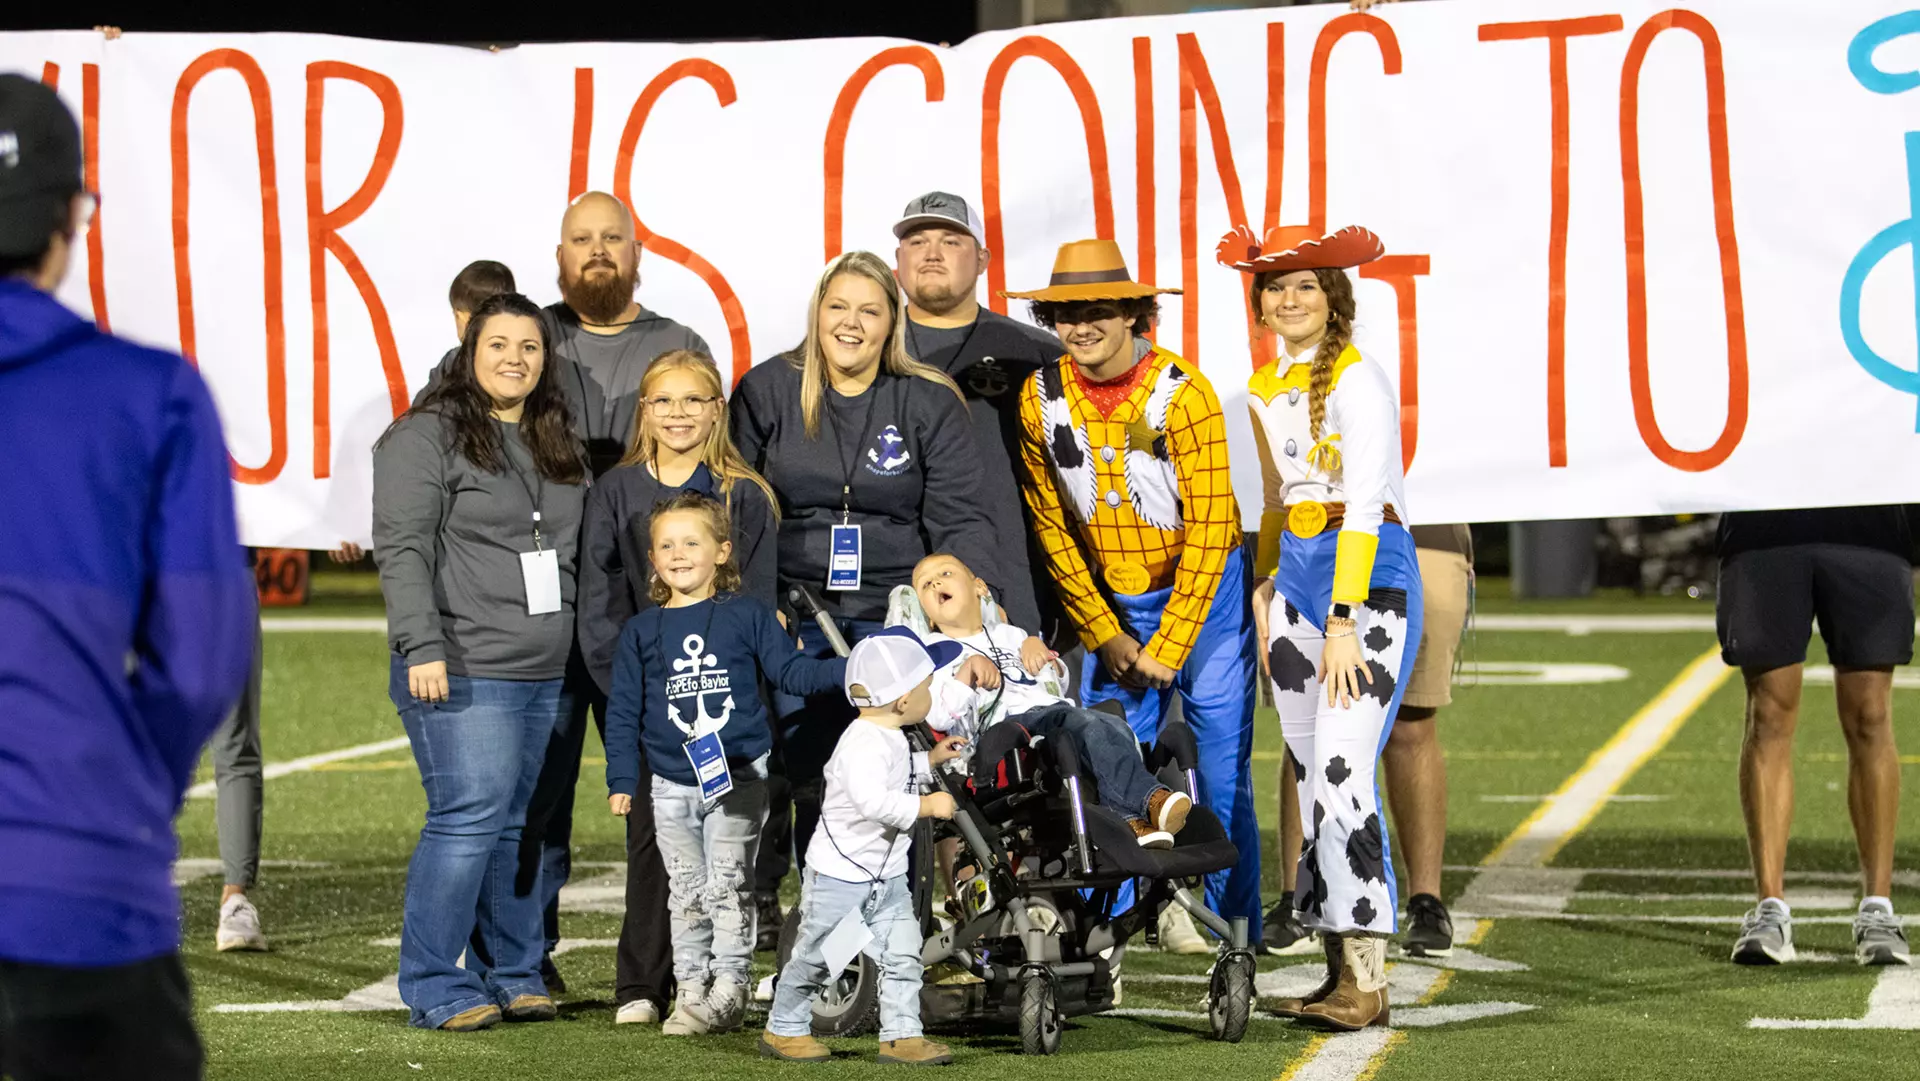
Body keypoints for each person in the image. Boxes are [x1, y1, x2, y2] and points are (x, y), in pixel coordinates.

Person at [0, 72, 256, 1080]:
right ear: (72, 216)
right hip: (77, 886)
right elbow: (202, 659)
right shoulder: (150, 394)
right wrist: (112, 786)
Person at [1005, 239, 1260, 953]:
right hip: (1114, 606)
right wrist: (1102, 630)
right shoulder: (1038, 396)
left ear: (1133, 314)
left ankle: (1235, 927)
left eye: (1098, 311)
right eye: (1065, 314)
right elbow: (1052, 526)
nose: (1080, 326)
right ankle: (1111, 929)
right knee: (1107, 760)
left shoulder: (1185, 393)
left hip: (1207, 599)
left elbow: (1211, 528)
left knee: (1220, 766)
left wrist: (1169, 645)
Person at [730, 250, 1002, 879]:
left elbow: (960, 516)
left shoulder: (927, 399)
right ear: (817, 313)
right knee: (810, 771)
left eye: (869, 311)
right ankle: (824, 906)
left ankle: (904, 912)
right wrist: (760, 603)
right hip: (798, 610)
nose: (850, 324)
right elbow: (740, 510)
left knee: (901, 767)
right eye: (838, 307)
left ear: (892, 322)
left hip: (895, 613)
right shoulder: (768, 390)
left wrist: (967, 610)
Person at [373, 291, 588, 1031]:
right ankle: (434, 981)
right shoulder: (423, 435)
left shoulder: (554, 435)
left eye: (529, 346)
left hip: (547, 670)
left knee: (520, 827)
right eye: (498, 344)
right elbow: (402, 549)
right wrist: (420, 645)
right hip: (463, 665)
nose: (514, 359)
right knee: (467, 820)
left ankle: (513, 971)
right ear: (470, 351)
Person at [1228, 223, 1423, 1031]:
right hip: (1298, 590)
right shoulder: (1262, 385)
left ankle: (1368, 977)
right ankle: (1340, 968)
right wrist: (1266, 583)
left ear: (1333, 296)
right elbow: (1276, 500)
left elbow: (1368, 505)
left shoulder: (1358, 377)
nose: (1289, 298)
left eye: (1305, 284)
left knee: (1342, 772)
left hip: (1367, 587)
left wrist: (1342, 616)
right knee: (1312, 778)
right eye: (1275, 286)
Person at [578, 350, 780, 1024]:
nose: (678, 413)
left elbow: (757, 605)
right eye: (664, 400)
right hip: (645, 703)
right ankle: (642, 984)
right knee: (651, 841)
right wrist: (629, 691)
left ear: (717, 409)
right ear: (645, 410)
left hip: (722, 705)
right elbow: (600, 599)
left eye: (694, 399)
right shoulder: (615, 490)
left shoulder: (745, 493)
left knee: (728, 851)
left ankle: (727, 980)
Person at [604, 493, 847, 1034]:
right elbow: (623, 712)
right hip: (670, 784)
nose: (679, 553)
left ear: (722, 551)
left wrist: (850, 670)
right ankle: (691, 988)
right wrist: (621, 778)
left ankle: (730, 990)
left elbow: (792, 674)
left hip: (737, 776)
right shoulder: (640, 631)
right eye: (666, 545)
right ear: (652, 558)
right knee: (686, 890)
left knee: (729, 884)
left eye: (692, 542)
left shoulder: (748, 615)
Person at [760, 629, 964, 1067]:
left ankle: (902, 1034)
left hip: (883, 878)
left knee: (903, 953)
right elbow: (873, 801)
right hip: (841, 879)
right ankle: (784, 1027)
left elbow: (895, 773)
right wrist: (927, 805)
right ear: (903, 701)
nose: (931, 694)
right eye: (927, 686)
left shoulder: (887, 735)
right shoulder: (862, 743)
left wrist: (929, 761)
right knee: (818, 957)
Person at [1720, 507, 1914, 966]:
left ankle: (1878, 907)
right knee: (1768, 712)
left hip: (1868, 522)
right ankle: (1770, 908)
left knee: (1870, 714)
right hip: (1765, 522)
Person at [913, 553, 1192, 846]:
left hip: (1051, 710)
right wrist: (966, 675)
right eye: (925, 585)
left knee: (1114, 724)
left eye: (945, 574)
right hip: (1006, 730)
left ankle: (1130, 821)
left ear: (979, 588)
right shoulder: (935, 652)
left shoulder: (1011, 634)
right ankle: (1150, 799)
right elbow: (937, 716)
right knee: (1083, 723)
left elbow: (1055, 686)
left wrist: (1046, 656)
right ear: (928, 615)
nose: (935, 583)